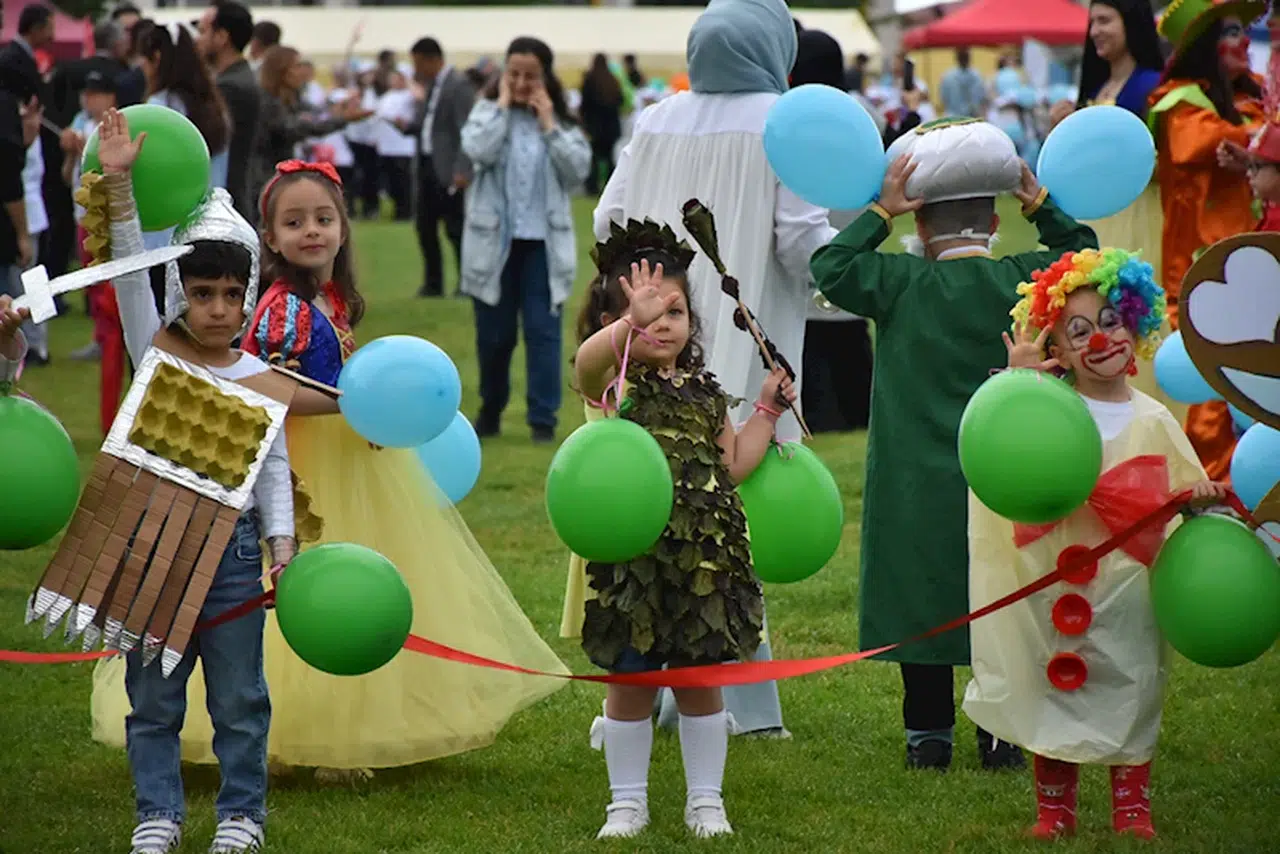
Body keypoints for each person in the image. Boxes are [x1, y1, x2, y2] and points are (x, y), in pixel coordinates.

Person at [94, 159, 570, 779]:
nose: (311, 231)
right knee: (318, 588)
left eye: (323, 218)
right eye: (294, 222)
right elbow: (272, 389)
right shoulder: (280, 308)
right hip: (305, 459)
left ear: (344, 227)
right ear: (270, 237)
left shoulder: (327, 297)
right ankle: (306, 734)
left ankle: (348, 725)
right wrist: (358, 407)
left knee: (363, 585)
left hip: (343, 449)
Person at [810, 119, 1099, 772]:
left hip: (913, 479)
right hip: (1003, 475)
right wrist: (1040, 203)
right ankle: (1000, 731)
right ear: (994, 226)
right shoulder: (1022, 284)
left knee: (921, 594)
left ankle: (928, 734)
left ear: (920, 227)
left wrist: (879, 212)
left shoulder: (901, 286)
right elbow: (1086, 256)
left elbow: (829, 266)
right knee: (1000, 594)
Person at [594, 0, 833, 737]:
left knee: (653, 518)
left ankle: (641, 700)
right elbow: (802, 246)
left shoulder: (658, 118)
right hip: (741, 329)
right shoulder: (784, 123)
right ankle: (737, 707)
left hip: (654, 338)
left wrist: (646, 300)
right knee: (733, 520)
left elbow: (610, 223)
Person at [91, 108, 296, 854]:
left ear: (246, 299)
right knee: (153, 698)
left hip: (235, 562)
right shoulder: (158, 353)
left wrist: (281, 540)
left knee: (241, 697)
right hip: (151, 554)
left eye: (228, 296)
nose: (215, 309)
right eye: (201, 294)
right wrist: (119, 186)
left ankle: (241, 817)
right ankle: (159, 814)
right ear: (183, 293)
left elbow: (273, 465)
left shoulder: (258, 376)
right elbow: (126, 272)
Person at [967, 248, 1225, 840]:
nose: (1100, 339)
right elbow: (1003, 440)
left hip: (1127, 583)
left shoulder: (1155, 417)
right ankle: (1054, 808)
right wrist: (1021, 378)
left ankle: (1132, 805)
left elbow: (1181, 486)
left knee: (1129, 675)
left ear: (1135, 321)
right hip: (1053, 574)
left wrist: (1199, 493)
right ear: (1057, 349)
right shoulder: (1049, 406)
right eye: (1078, 331)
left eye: (1111, 321)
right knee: (1051, 677)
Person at [573, 219, 795, 839]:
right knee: (632, 684)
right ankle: (626, 804)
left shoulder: (705, 389)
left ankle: (706, 801)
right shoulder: (615, 389)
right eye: (646, 313)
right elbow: (587, 365)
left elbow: (729, 465)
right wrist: (624, 327)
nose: (663, 322)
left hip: (702, 564)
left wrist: (768, 410)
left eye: (674, 310)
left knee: (701, 684)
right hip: (636, 562)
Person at [1148, 0, 1266, 479]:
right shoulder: (1180, 104)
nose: (1242, 42)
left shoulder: (1248, 101)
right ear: (1204, 45)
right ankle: (1216, 488)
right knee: (1209, 392)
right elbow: (1202, 144)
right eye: (1231, 31)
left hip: (1255, 269)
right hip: (1203, 273)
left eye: (1244, 31)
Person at [460, 36, 590, 444]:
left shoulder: (563, 121)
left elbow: (578, 172)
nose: (520, 82)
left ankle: (542, 418)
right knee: (494, 335)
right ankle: (491, 408)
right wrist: (500, 106)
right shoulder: (486, 112)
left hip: (543, 247)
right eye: (513, 73)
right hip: (494, 244)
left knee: (543, 332)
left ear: (545, 77)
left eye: (530, 75)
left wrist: (549, 125)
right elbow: (477, 150)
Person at [791, 28, 875, 433]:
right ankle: (857, 416)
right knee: (853, 355)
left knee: (812, 355)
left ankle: (822, 420)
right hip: (855, 251)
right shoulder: (863, 116)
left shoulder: (795, 119)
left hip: (808, 257)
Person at [249, 45, 366, 226]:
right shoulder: (266, 101)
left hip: (277, 172)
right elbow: (295, 128)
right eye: (296, 66)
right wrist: (342, 118)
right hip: (262, 176)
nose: (302, 72)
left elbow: (315, 113)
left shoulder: (289, 98)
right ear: (281, 70)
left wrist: (339, 109)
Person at [408, 37, 474, 297]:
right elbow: (431, 127)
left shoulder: (459, 85)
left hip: (448, 169)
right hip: (426, 166)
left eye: (418, 63)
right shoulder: (432, 85)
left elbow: (466, 130)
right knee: (425, 227)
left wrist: (463, 169)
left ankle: (466, 283)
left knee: (455, 229)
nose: (416, 70)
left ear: (431, 59)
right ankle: (433, 283)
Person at [194, 1, 260, 221]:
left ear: (222, 37)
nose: (198, 40)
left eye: (203, 31)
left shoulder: (230, 87)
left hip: (228, 206)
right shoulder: (236, 78)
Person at [579, 54, 624, 195]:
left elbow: (584, 104)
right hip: (611, 127)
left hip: (595, 126)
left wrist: (584, 123)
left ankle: (592, 186)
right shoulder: (613, 81)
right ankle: (611, 186)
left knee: (594, 158)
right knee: (610, 158)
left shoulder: (590, 80)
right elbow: (620, 101)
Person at [939, 48, 986, 118]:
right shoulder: (977, 75)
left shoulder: (947, 76)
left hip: (953, 116)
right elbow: (982, 98)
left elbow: (944, 98)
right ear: (969, 58)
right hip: (970, 118)